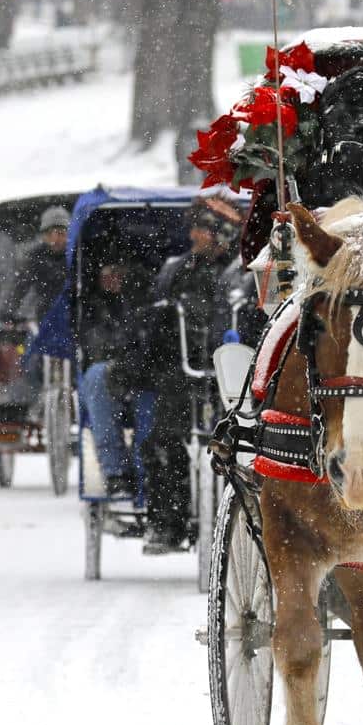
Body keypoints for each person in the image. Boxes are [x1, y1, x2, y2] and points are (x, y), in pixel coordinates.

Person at [113, 199, 243, 554]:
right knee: (162, 441)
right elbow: (153, 321)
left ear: (223, 233)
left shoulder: (243, 272)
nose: (193, 235)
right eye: (195, 228)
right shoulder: (175, 270)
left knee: (248, 445)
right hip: (182, 373)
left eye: (201, 228)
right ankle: (168, 523)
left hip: (234, 373)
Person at [76, 260, 154, 497]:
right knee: (98, 378)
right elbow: (94, 343)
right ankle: (115, 472)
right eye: (108, 273)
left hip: (141, 369)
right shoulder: (92, 307)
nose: (114, 279)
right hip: (110, 370)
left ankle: (147, 470)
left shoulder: (144, 302)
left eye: (120, 273)